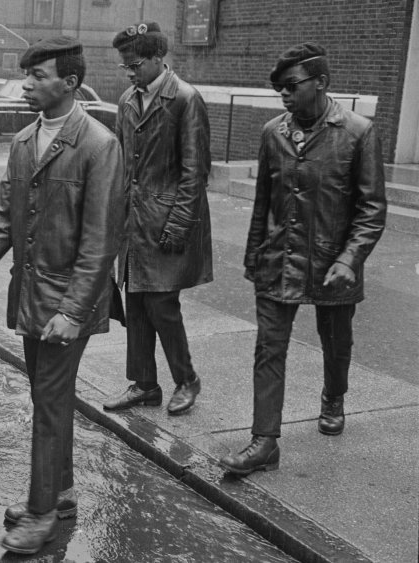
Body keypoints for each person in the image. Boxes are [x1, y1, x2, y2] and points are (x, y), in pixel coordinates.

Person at [0, 36, 124, 555]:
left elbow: (100, 241)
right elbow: (4, 219)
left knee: (47, 402)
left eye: (39, 76)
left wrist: (73, 311)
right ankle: (60, 492)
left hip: (69, 303)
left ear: (70, 82)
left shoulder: (98, 144)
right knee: (50, 399)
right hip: (30, 297)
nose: (27, 84)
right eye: (26, 75)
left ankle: (42, 512)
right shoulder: (25, 140)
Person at [219, 42, 386, 475]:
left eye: (291, 86)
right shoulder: (273, 132)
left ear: (322, 83)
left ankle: (334, 396)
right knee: (268, 348)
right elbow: (264, 201)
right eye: (280, 89)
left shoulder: (358, 132)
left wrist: (350, 259)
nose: (285, 96)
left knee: (337, 342)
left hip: (333, 263)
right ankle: (264, 440)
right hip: (278, 258)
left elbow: (371, 208)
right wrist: (255, 253)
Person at [103, 21, 213, 416]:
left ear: (155, 59)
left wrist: (179, 225)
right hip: (134, 223)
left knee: (163, 305)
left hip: (167, 222)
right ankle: (144, 384)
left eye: (134, 65)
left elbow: (195, 170)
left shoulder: (185, 99)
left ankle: (186, 380)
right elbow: (120, 162)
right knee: (136, 304)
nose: (129, 72)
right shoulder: (127, 100)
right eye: (125, 67)